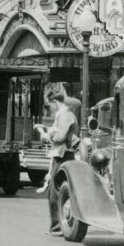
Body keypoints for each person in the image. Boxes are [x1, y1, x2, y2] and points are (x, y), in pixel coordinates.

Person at [36, 90, 79, 233]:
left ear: (55, 102)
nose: (50, 108)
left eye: (50, 105)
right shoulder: (65, 115)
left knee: (54, 192)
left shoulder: (65, 116)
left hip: (62, 156)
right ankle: (60, 224)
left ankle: (57, 226)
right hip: (63, 155)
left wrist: (45, 136)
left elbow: (59, 137)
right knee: (57, 190)